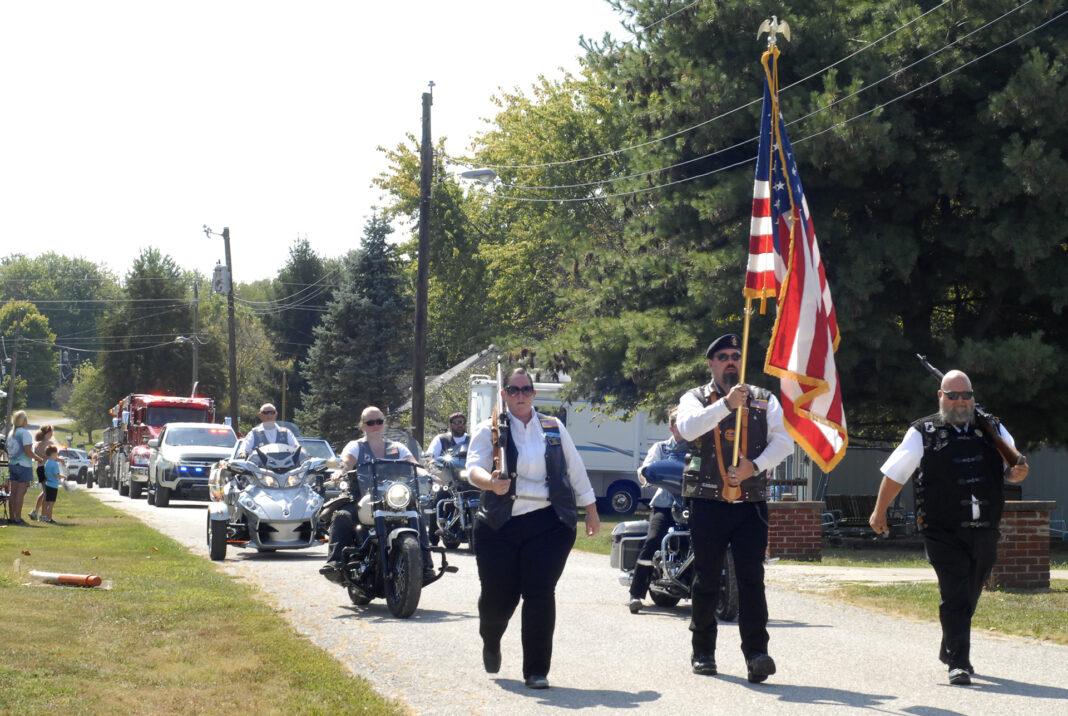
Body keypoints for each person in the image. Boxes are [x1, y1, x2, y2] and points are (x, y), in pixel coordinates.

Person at [869, 369, 1028, 686]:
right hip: (941, 529)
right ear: (940, 396)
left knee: (970, 591)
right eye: (952, 395)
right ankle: (959, 662)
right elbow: (896, 474)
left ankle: (949, 644)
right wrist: (879, 511)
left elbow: (1014, 468)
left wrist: (1018, 472)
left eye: (965, 395)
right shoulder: (922, 431)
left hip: (984, 527)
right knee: (954, 590)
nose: (959, 401)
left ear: (973, 397)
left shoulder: (992, 427)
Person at [466, 367, 601, 690]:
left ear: (534, 394)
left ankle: (537, 670)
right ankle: (492, 638)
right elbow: (473, 468)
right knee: (499, 599)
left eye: (526, 390)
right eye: (514, 390)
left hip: (547, 523)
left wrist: (591, 510)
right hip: (499, 524)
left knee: (540, 593)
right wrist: (491, 483)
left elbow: (575, 468)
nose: (521, 396)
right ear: (504, 394)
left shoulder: (553, 428)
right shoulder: (490, 430)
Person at [676, 334, 794, 682]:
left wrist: (752, 467)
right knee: (708, 578)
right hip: (707, 501)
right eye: (723, 357)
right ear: (711, 363)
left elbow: (784, 442)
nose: (731, 361)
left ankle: (757, 653)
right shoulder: (694, 398)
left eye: (736, 356)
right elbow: (687, 428)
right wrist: (726, 405)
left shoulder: (764, 399)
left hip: (750, 502)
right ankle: (703, 652)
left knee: (751, 579)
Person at [318, 406, 426, 583]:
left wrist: (428, 475)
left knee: (416, 515)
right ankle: (335, 563)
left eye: (379, 422)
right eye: (370, 423)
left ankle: (426, 565)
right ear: (363, 425)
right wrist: (340, 471)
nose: (375, 426)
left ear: (384, 424)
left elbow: (414, 465)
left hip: (392, 498)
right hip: (361, 497)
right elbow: (346, 461)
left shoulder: (397, 447)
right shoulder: (356, 446)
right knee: (342, 516)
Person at [627, 407, 688, 614]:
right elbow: (645, 469)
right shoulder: (661, 448)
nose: (686, 428)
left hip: (693, 505)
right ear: (672, 428)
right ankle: (636, 594)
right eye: (681, 424)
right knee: (653, 540)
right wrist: (646, 474)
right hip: (665, 504)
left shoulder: (700, 450)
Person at [424, 412, 470, 545]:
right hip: (448, 477)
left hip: (467, 478)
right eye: (456, 422)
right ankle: (433, 537)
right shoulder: (442, 439)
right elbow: (430, 456)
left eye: (462, 422)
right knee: (438, 496)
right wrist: (431, 464)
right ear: (450, 424)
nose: (459, 425)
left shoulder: (472, 439)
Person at [6, 411, 43, 524]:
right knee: (21, 492)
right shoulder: (24, 433)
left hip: (12, 464)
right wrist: (39, 458)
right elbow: (27, 452)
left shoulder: (11, 433)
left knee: (13, 492)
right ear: (23, 421)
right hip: (23, 465)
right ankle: (18, 517)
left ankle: (12, 517)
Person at [29, 424, 61, 521]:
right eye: (51, 432)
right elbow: (52, 457)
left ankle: (35, 511)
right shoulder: (49, 444)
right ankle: (43, 515)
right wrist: (61, 460)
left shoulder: (37, 444)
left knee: (44, 491)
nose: (52, 434)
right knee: (47, 493)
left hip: (39, 469)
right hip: (47, 469)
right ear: (48, 433)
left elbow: (38, 457)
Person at [38, 445, 63, 523]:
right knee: (51, 503)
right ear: (53, 454)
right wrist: (64, 476)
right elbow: (56, 475)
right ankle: (49, 518)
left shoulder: (47, 463)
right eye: (56, 454)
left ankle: (43, 517)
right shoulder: (54, 464)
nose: (57, 455)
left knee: (45, 502)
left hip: (48, 483)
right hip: (53, 485)